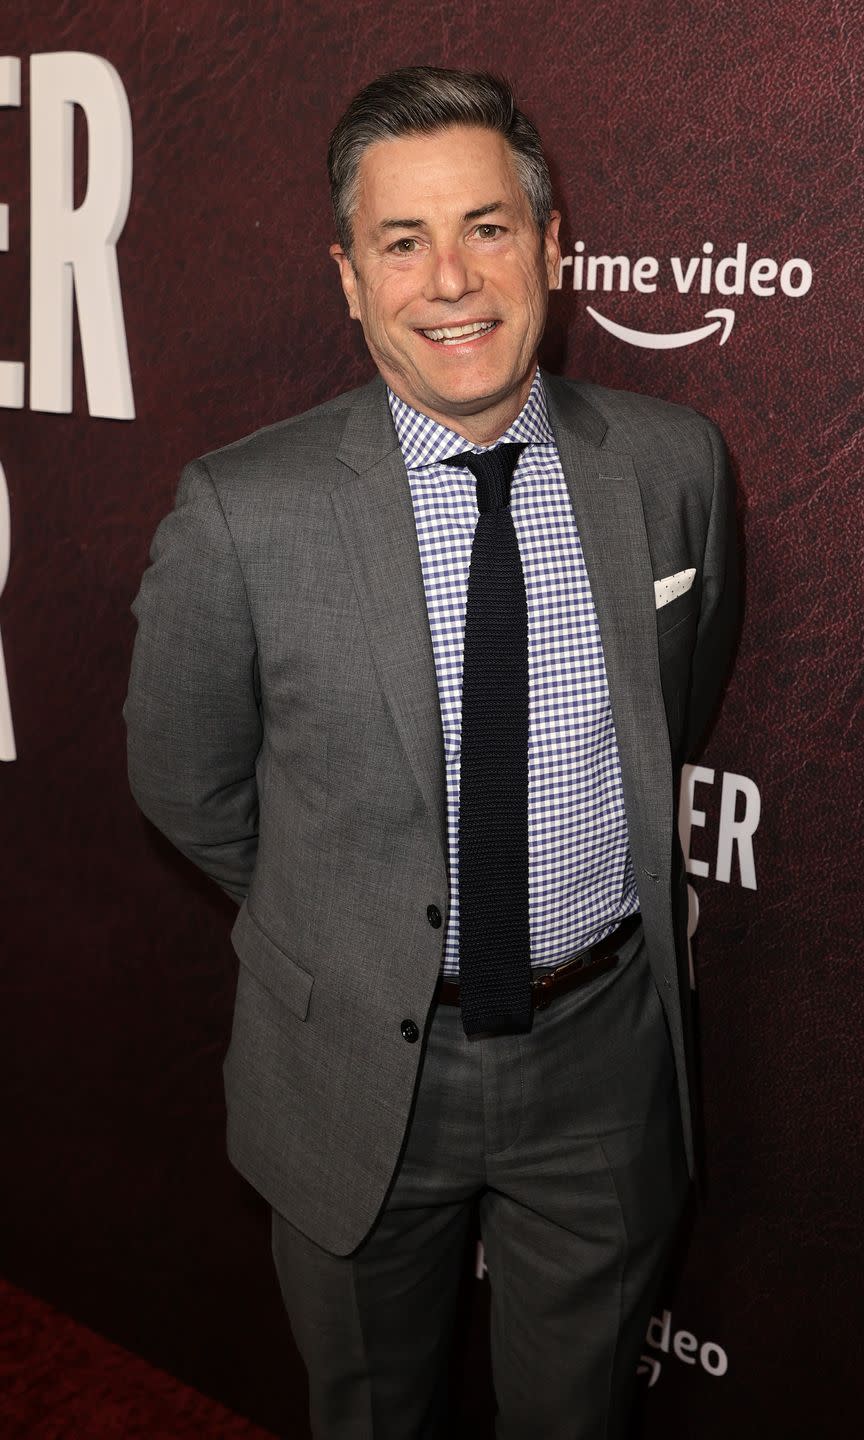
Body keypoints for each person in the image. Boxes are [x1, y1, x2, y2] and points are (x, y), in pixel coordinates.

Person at [124, 65, 738, 1440]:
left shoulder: (676, 465)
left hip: (604, 1057)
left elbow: (673, 708)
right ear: (350, 279)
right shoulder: (242, 511)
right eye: (403, 242)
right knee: (369, 1414)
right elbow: (186, 781)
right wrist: (348, 927)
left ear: (552, 247)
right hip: (354, 1072)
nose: (451, 279)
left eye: (488, 228)